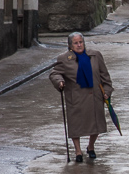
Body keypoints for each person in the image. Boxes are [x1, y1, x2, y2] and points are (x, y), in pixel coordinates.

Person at [49, 32, 114, 162]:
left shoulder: (95, 55)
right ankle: (78, 151)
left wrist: (107, 91)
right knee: (76, 125)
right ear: (70, 46)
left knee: (96, 124)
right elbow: (55, 73)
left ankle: (90, 146)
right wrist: (59, 82)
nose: (79, 45)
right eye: (76, 43)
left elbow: (105, 76)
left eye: (81, 42)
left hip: (95, 96)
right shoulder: (64, 58)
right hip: (76, 97)